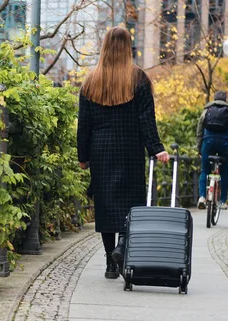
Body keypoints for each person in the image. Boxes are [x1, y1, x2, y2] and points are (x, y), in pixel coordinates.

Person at [77, 26, 169, 280]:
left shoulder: (91, 80)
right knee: (132, 204)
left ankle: (110, 263)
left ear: (104, 46)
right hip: (129, 146)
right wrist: (156, 149)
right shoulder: (138, 78)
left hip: (101, 149)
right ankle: (122, 246)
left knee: (106, 205)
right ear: (129, 47)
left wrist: (83, 157)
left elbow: (83, 124)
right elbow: (146, 120)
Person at [196, 91, 228, 210]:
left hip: (208, 142)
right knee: (224, 172)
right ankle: (222, 201)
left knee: (205, 171)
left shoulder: (206, 110)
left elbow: (199, 132)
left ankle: (202, 197)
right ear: (225, 100)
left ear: (214, 99)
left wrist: (199, 149)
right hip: (225, 144)